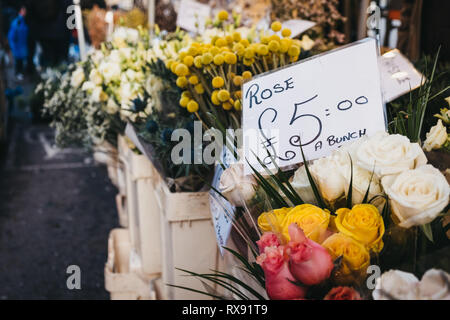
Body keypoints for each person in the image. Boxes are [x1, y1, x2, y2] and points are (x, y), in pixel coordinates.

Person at [7, 6, 28, 81]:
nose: (25, 12)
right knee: (18, 62)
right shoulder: (17, 22)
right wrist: (13, 46)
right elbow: (12, 36)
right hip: (18, 46)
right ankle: (18, 74)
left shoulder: (24, 21)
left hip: (22, 46)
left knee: (21, 61)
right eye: (23, 11)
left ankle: (20, 73)